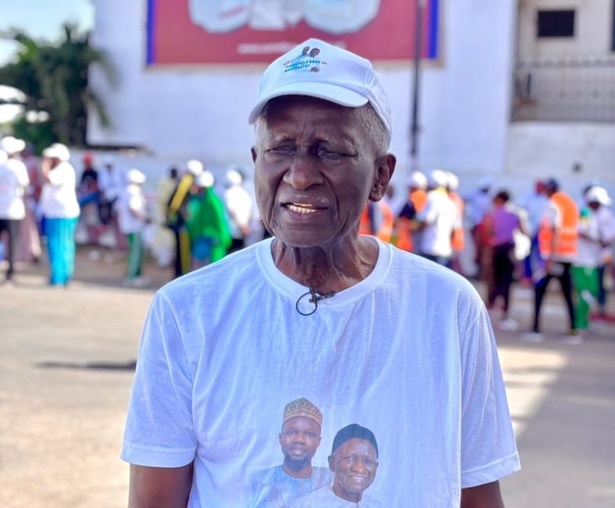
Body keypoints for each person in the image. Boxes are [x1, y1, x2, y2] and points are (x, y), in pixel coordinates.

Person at [122, 38, 519, 507]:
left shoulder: (448, 308)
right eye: (281, 148)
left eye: (330, 151)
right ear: (256, 163)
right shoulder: (187, 309)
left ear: (381, 176)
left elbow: (477, 492)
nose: (300, 174)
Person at [523, 178, 579, 342]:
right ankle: (573, 331)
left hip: (553, 257)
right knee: (568, 294)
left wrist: (551, 259)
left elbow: (555, 229)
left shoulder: (554, 203)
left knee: (540, 290)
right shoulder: (569, 202)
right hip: (567, 256)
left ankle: (535, 330)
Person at [250, 398, 333, 507]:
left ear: (318, 441)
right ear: (281, 438)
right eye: (291, 432)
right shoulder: (257, 481)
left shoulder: (331, 481)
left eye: (309, 434)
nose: (299, 439)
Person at [291, 423, 381, 507]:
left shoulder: (377, 506)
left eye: (368, 461)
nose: (359, 468)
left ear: (376, 467)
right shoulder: (306, 505)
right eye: (350, 458)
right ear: (332, 463)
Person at [481, 190, 526, 331]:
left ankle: (491, 306)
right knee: (507, 282)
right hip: (509, 250)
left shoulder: (493, 214)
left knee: (494, 280)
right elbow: (524, 231)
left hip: (497, 249)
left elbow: (488, 232)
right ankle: (505, 312)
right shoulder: (515, 213)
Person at [572, 186, 614, 331]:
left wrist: (602, 239)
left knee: (593, 290)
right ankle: (578, 322)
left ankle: (584, 321)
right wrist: (598, 239)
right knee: (585, 292)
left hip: (594, 260)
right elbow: (582, 231)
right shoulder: (584, 212)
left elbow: (609, 236)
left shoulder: (604, 214)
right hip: (581, 260)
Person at [39, 143, 80, 286]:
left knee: (59, 244)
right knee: (59, 244)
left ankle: (59, 276)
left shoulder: (63, 169)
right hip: (56, 213)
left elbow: (49, 179)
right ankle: (61, 275)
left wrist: (44, 166)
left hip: (61, 214)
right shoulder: (60, 169)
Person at [165, 159, 204, 278]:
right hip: (180, 223)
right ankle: (181, 274)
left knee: (181, 249)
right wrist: (182, 217)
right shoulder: (186, 181)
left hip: (179, 221)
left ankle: (180, 273)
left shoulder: (185, 180)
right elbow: (176, 202)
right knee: (183, 249)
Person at [185, 170, 231, 269]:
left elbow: (220, 221)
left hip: (214, 239)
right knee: (198, 268)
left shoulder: (213, 202)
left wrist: (223, 237)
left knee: (214, 268)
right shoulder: (198, 200)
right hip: (201, 238)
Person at [413, 169, 459, 267]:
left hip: (430, 249)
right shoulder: (451, 202)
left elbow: (425, 221)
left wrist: (411, 229)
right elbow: (454, 231)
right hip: (446, 252)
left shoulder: (431, 197)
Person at [0, 136, 30, 282]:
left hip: (2, 209)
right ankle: (10, 274)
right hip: (14, 211)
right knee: (12, 243)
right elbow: (24, 184)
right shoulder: (18, 166)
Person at [116, 168, 149, 287]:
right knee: (135, 253)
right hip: (134, 227)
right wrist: (145, 218)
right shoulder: (133, 192)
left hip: (128, 227)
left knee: (134, 252)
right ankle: (132, 277)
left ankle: (136, 275)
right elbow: (133, 209)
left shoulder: (125, 191)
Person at [395, 171, 428, 253]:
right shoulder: (427, 198)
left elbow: (400, 218)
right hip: (419, 240)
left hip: (409, 240)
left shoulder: (414, 198)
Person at [222, 167, 254, 253]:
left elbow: (232, 210)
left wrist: (242, 226)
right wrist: (246, 226)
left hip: (234, 230)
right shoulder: (244, 193)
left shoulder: (228, 193)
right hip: (244, 229)